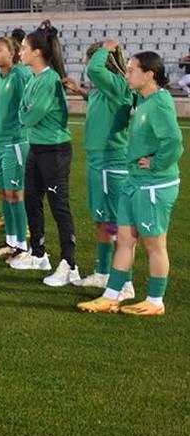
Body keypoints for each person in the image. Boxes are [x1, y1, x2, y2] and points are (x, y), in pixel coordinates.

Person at [78, 51, 183, 316]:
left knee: (154, 244)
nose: (127, 75)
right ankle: (111, 296)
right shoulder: (143, 99)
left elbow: (173, 142)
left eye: (132, 70)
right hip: (134, 181)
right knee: (124, 239)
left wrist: (157, 164)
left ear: (149, 75)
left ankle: (155, 301)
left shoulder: (159, 103)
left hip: (154, 185)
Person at [62, 41, 137, 293]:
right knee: (103, 221)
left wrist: (106, 46)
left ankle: (125, 282)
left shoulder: (119, 84)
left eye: (88, 58)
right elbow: (98, 98)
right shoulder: (107, 90)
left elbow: (95, 70)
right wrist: (80, 91)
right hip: (99, 162)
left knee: (117, 224)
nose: (85, 63)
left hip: (111, 163)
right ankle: (104, 273)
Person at [10, 31, 79, 286]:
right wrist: (25, 111)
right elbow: (22, 111)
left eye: (24, 48)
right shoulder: (33, 79)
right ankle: (39, 254)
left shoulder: (49, 80)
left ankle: (70, 264)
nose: (20, 52)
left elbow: (30, 116)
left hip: (55, 150)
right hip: (37, 149)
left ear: (37, 52)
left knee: (59, 207)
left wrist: (26, 112)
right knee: (31, 201)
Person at [0, 37, 33, 262]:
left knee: (16, 194)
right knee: (5, 194)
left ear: (12, 53)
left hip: (15, 143)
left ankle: (23, 246)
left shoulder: (20, 75)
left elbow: (31, 104)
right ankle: (11, 241)